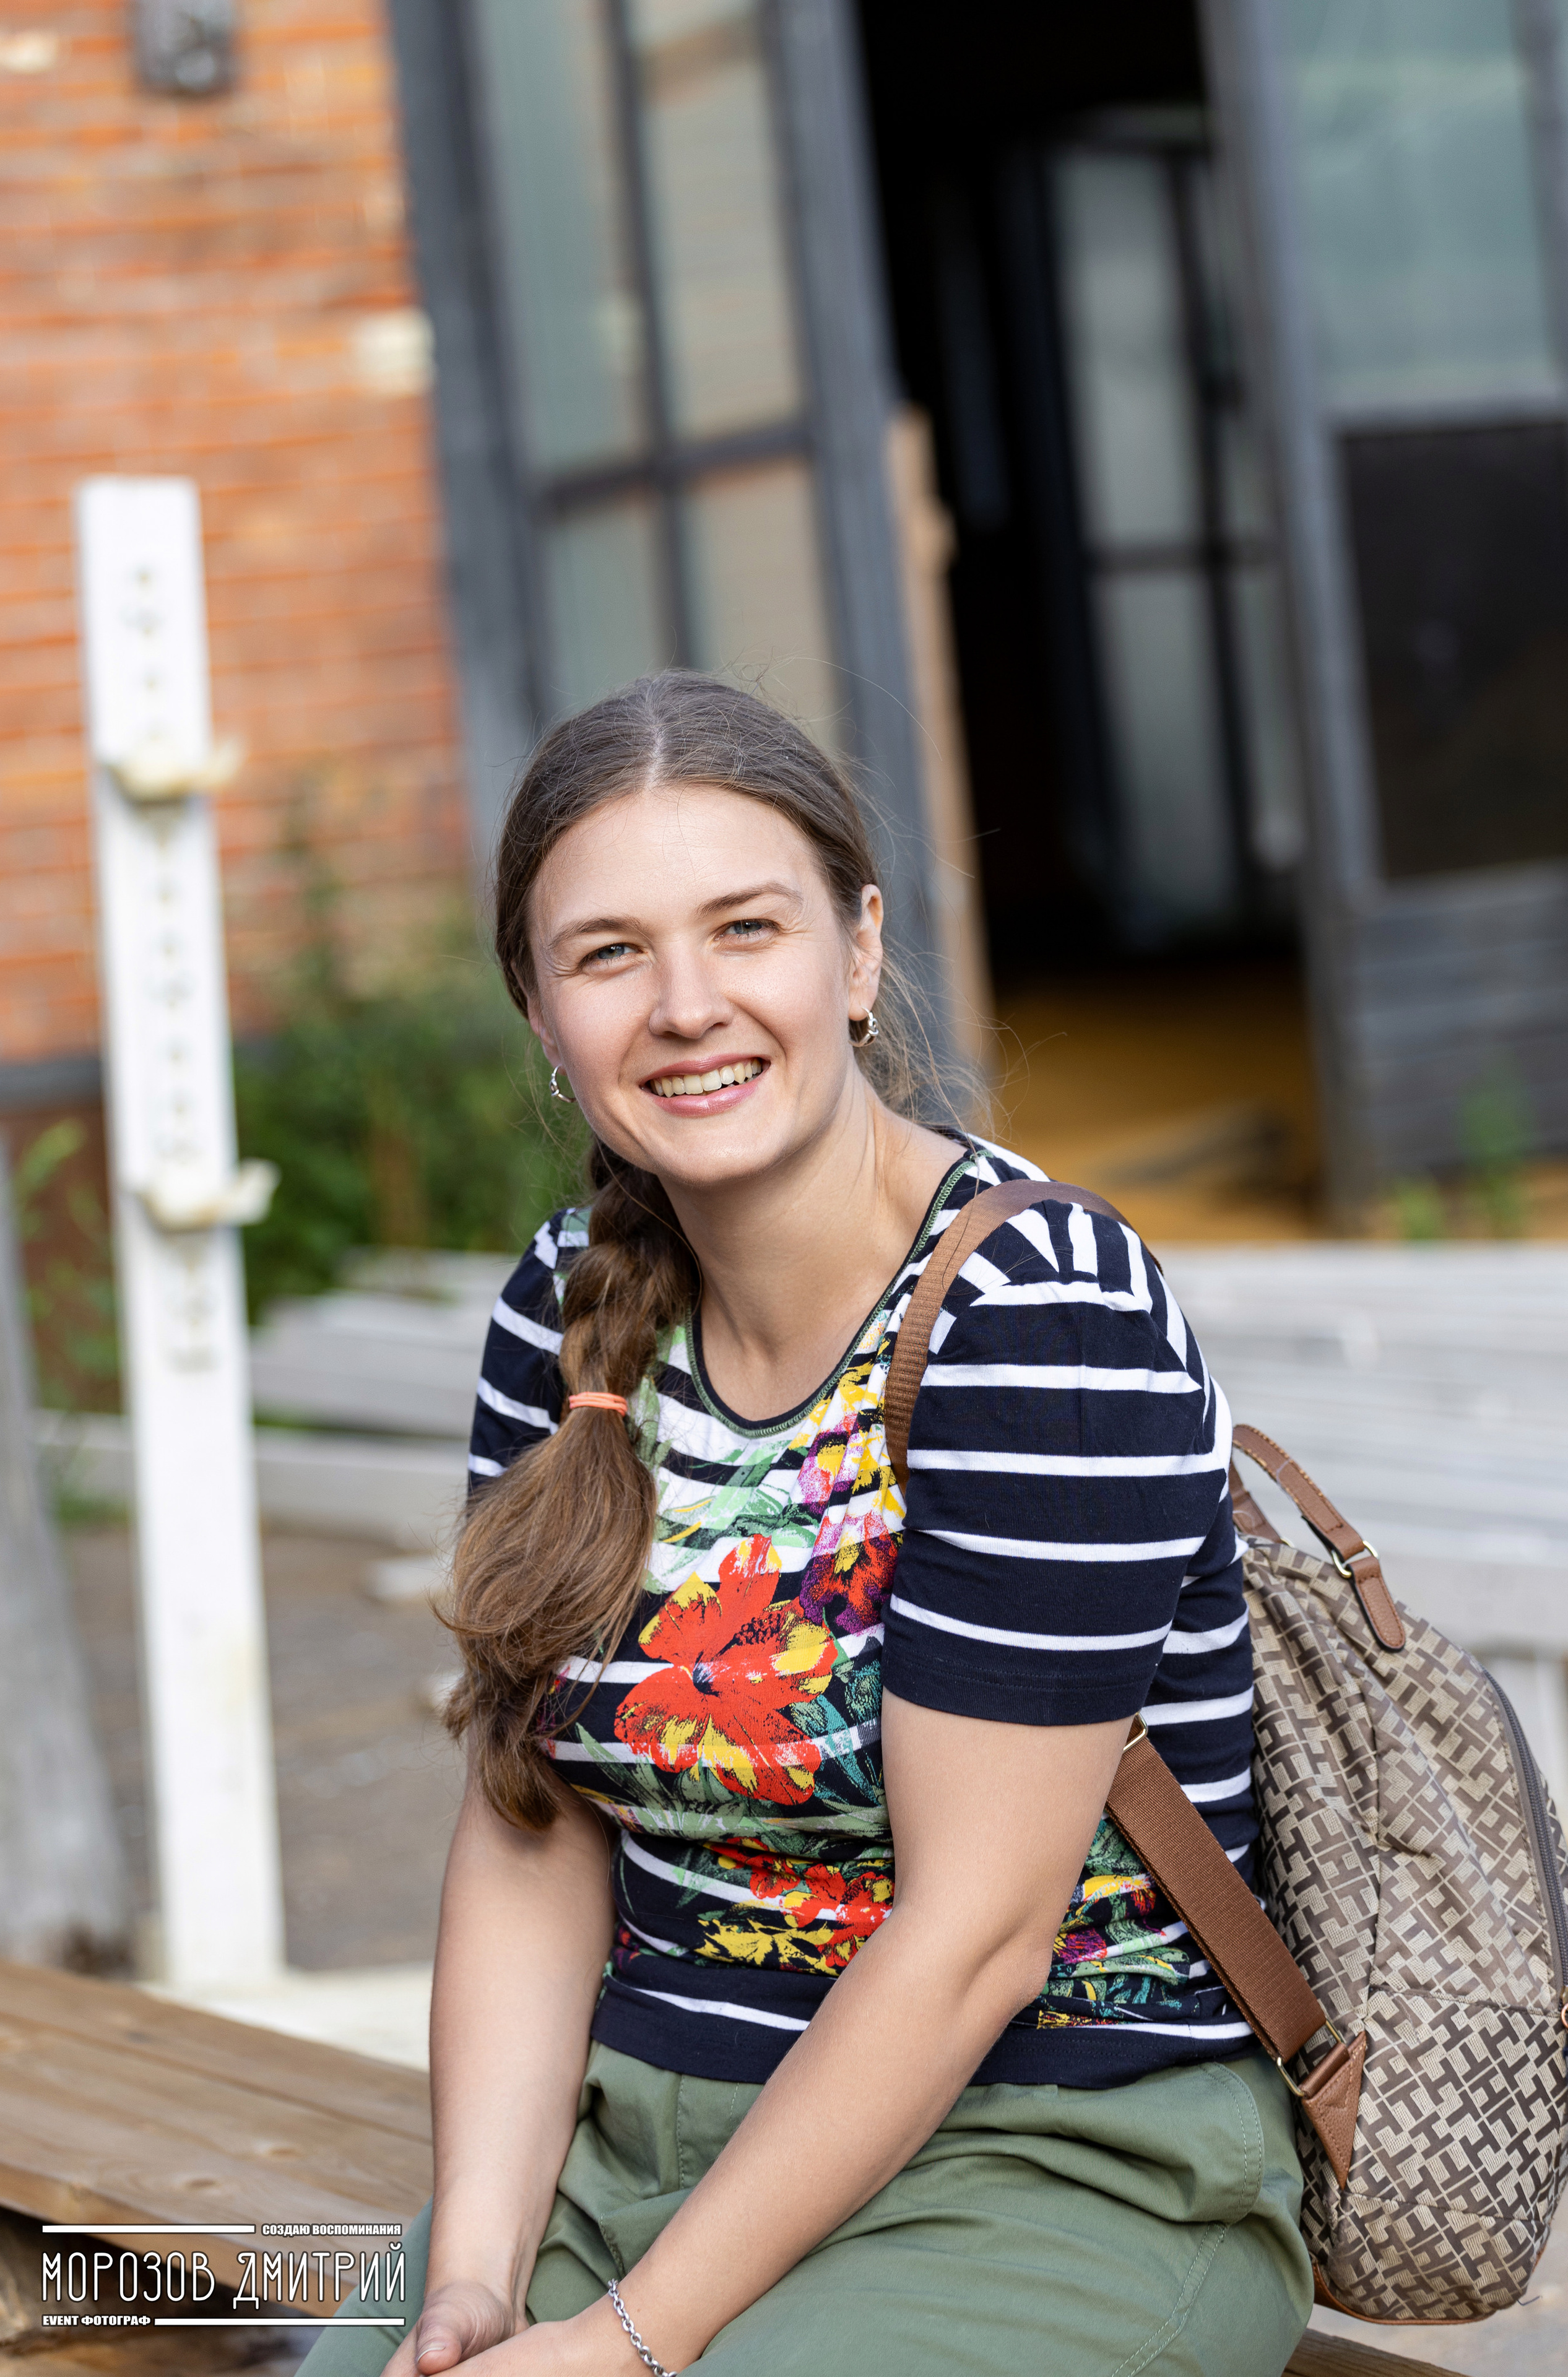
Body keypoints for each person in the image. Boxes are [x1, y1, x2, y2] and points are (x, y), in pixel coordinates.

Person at [301, 673, 1311, 2377]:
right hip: (642, 2144)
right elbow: (535, 1824)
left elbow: (979, 1932)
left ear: (855, 955)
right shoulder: (566, 1318)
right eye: (610, 953)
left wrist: (626, 2344)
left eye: (744, 928)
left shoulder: (1038, 1315)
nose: (687, 1004)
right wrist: (475, 2273)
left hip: (1058, 2155)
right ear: (543, 1016)